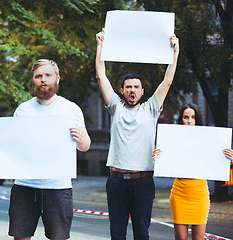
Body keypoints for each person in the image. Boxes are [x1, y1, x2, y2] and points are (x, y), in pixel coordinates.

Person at [95, 29, 179, 240]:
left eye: (136, 87)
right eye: (128, 87)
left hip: (142, 182)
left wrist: (175, 52)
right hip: (116, 182)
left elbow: (167, 81)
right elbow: (100, 75)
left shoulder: (151, 108)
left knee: (142, 233)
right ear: (122, 91)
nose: (132, 90)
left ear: (143, 91)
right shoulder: (115, 107)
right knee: (117, 234)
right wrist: (100, 45)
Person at [8, 59, 91, 240]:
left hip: (58, 186)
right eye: (38, 76)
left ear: (57, 78)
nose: (43, 80)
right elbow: (12, 145)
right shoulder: (23, 110)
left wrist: (82, 138)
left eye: (48, 75)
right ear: (33, 80)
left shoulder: (71, 109)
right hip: (25, 185)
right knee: (20, 237)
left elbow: (85, 147)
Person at [152, 103, 233, 240]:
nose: (189, 121)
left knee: (198, 238)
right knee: (181, 238)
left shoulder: (208, 139)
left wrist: (229, 159)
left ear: (197, 119)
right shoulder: (172, 139)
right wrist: (158, 157)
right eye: (186, 117)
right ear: (181, 119)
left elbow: (215, 162)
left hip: (200, 194)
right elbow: (168, 164)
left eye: (193, 117)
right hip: (179, 193)